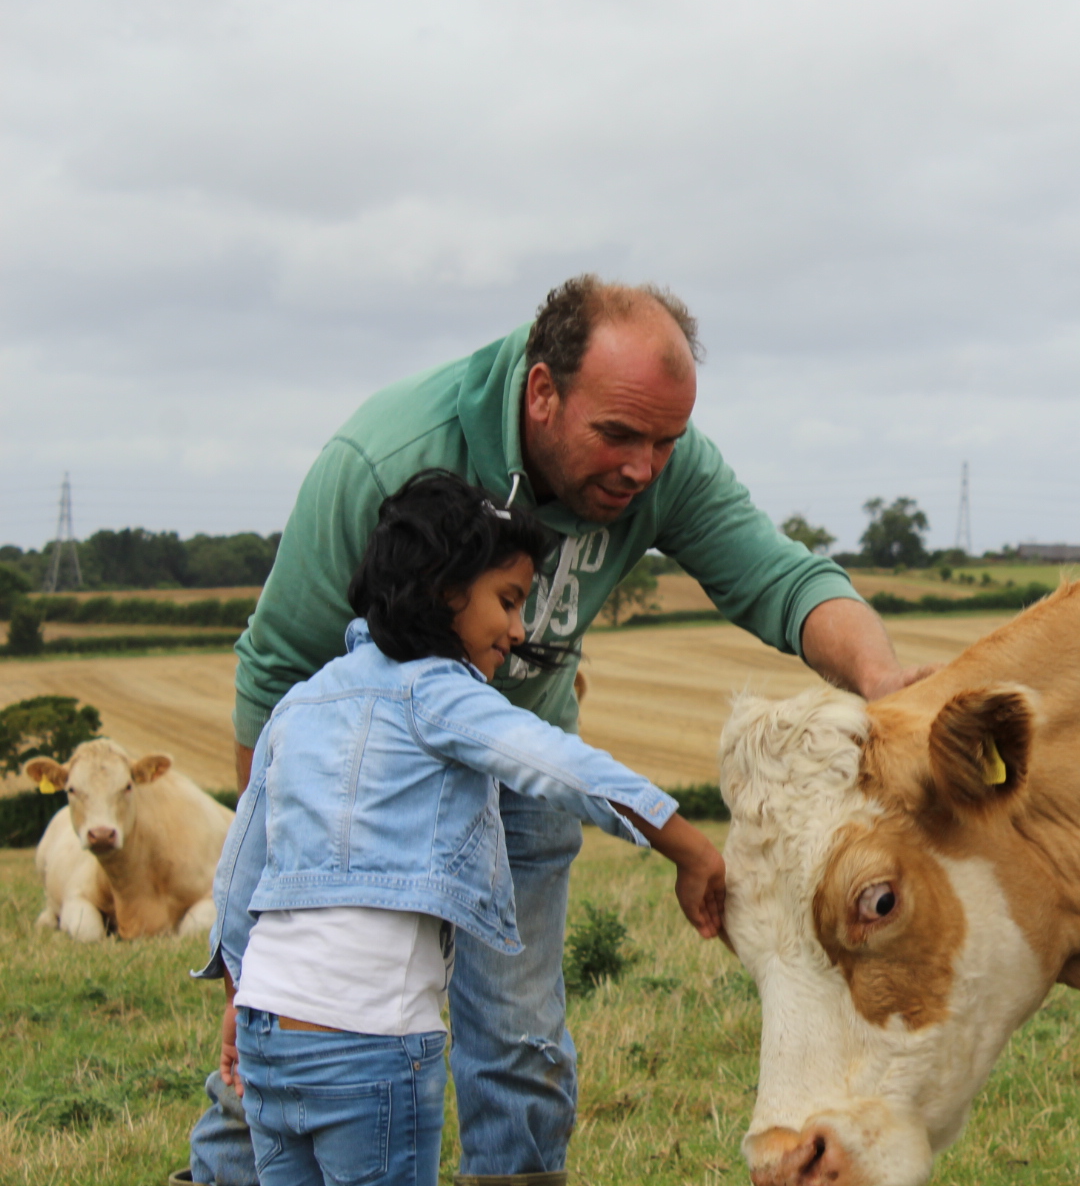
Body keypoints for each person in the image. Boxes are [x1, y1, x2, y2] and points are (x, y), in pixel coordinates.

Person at [184, 276, 933, 1186]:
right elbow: (274, 675)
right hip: (356, 794)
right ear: (543, 393)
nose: (642, 468)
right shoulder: (387, 458)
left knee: (519, 1041)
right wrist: (255, 925)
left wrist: (880, 676)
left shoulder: (662, 462)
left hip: (519, 770)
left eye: (666, 441)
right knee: (294, 1007)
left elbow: (776, 577)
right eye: (618, 435)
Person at [197, 471, 726, 1186]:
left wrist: (236, 998)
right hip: (369, 1037)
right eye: (507, 601)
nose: (518, 629)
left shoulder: (299, 703)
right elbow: (567, 768)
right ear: (447, 592)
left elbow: (240, 871)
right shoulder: (437, 692)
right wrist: (689, 848)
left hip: (270, 1032)